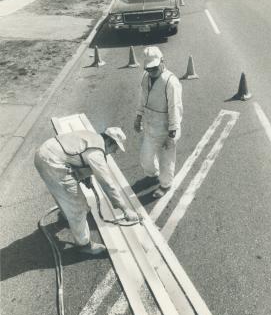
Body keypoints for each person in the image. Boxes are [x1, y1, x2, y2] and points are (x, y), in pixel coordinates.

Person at [35, 127, 138, 255]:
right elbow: (107, 183)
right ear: (109, 142)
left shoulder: (91, 136)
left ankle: (67, 215)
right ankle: (84, 244)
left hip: (43, 152)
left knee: (60, 190)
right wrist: (124, 208)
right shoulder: (97, 153)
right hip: (53, 163)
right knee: (78, 207)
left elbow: (77, 156)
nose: (114, 152)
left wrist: (86, 177)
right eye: (115, 148)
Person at [134, 46, 183, 199]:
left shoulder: (170, 81)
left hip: (166, 128)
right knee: (145, 158)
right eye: (149, 69)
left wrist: (172, 132)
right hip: (150, 126)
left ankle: (165, 185)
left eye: (154, 69)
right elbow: (142, 98)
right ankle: (153, 174)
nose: (151, 72)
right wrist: (138, 116)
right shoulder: (145, 77)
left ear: (162, 62)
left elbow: (175, 107)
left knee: (166, 160)